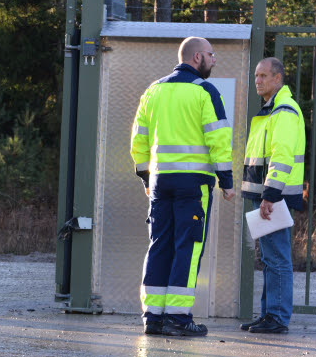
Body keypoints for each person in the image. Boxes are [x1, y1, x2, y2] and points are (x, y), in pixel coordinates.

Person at [130, 37, 237, 337]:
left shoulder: (153, 91)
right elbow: (218, 139)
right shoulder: (205, 92)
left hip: (160, 182)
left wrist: (144, 176)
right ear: (198, 57)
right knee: (188, 247)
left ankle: (153, 317)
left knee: (159, 244)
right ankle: (178, 317)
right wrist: (226, 182)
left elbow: (139, 139)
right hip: (193, 184)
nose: (214, 61)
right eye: (212, 55)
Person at [239, 57, 306, 334]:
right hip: (266, 195)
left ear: (278, 79)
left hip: (273, 197)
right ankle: (269, 314)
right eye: (256, 75)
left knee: (277, 257)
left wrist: (270, 195)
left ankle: (277, 317)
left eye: (264, 76)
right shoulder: (272, 109)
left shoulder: (284, 110)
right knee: (268, 257)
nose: (258, 80)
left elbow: (281, 156)